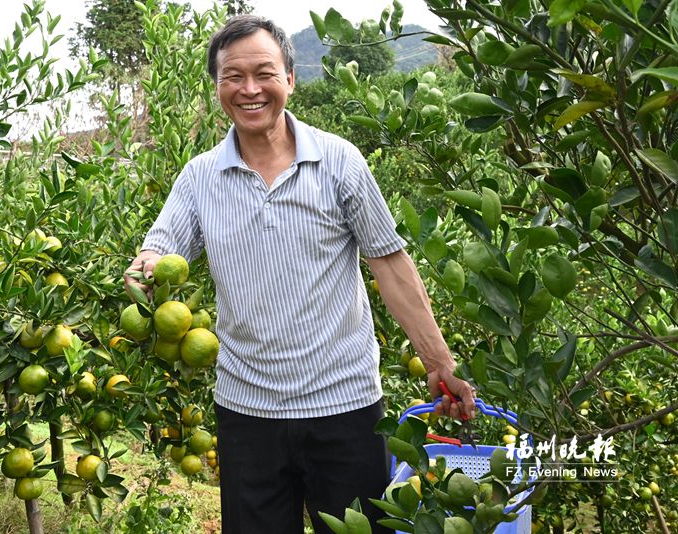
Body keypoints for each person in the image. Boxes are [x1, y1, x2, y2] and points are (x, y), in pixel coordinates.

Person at [124, 14, 476, 534]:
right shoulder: (199, 177)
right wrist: (143, 271)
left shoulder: (340, 162)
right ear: (218, 86)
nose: (249, 89)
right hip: (247, 413)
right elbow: (159, 249)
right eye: (232, 77)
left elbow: (389, 264)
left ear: (289, 78)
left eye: (263, 73)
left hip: (346, 407)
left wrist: (437, 360)